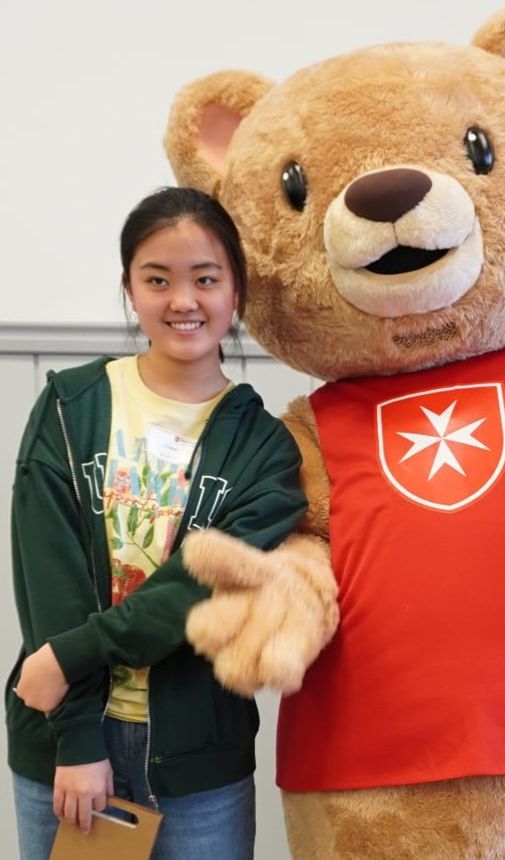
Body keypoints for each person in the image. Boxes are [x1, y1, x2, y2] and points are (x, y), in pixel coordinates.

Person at [6, 187, 308, 860]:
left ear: (236, 289)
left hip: (198, 760)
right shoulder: (70, 406)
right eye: (158, 279)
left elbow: (196, 588)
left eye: (205, 279)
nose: (183, 301)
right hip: (64, 741)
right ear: (129, 288)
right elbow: (47, 576)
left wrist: (69, 655)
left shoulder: (267, 449)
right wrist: (78, 738)